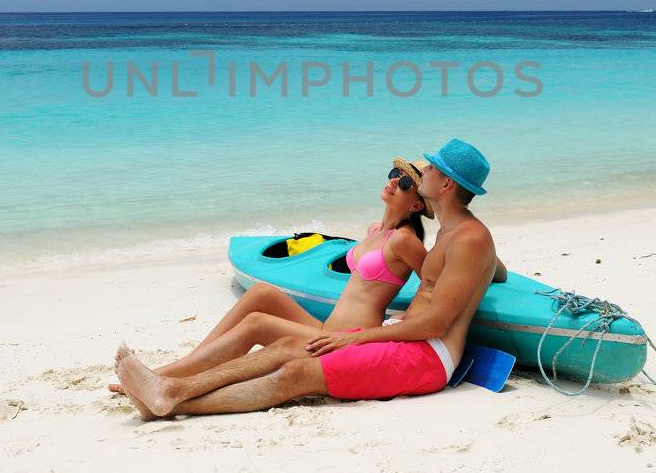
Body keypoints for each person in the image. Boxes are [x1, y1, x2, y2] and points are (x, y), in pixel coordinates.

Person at [114, 138, 497, 419]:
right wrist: (491, 268)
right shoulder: (460, 234)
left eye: (430, 168)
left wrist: (364, 334)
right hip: (402, 340)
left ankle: (172, 399)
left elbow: (436, 322)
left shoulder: (468, 237)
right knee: (284, 348)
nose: (423, 170)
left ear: (446, 184)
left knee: (296, 373)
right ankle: (170, 390)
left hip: (428, 358)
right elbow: (488, 269)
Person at [107, 158, 432, 393]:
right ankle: (191, 361)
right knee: (262, 293)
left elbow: (433, 283)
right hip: (325, 327)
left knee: (257, 323)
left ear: (417, 205)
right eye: (394, 174)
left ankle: (164, 376)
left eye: (404, 183)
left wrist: (404, 321)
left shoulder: (405, 240)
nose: (393, 182)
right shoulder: (375, 231)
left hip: (347, 338)